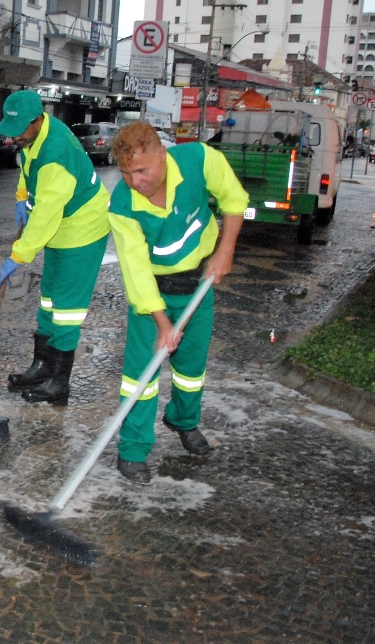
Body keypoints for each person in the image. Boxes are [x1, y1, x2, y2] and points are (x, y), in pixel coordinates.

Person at [107, 121, 248, 485]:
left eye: (142, 170)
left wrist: (225, 251)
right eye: (126, 173)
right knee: (140, 376)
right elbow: (135, 269)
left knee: (190, 369)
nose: (135, 180)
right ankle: (133, 450)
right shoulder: (122, 204)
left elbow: (234, 199)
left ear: (163, 155)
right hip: (152, 293)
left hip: (199, 284)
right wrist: (161, 322)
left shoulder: (199, 160)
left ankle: (183, 422)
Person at [0, 90, 111, 404]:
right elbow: (27, 168)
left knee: (67, 310)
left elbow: (45, 216)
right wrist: (21, 196)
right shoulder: (36, 136)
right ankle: (41, 365)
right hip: (60, 228)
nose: (14, 137)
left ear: (37, 120)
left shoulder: (56, 153)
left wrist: (17, 257)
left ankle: (59, 381)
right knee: (48, 299)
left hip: (82, 229)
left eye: (19, 130)